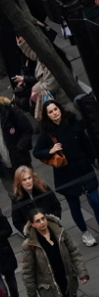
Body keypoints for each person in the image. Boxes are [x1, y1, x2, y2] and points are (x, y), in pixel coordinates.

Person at [33, 100, 99, 246]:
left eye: (55, 109)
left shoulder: (74, 123)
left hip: (84, 168)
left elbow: (86, 143)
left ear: (60, 109)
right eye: (50, 111)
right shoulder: (47, 133)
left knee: (95, 200)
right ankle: (84, 232)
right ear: (47, 115)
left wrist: (94, 159)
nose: (54, 113)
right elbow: (36, 152)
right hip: (65, 174)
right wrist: (49, 151)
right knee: (74, 205)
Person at [10, 166, 61, 234]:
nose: (28, 181)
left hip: (53, 227)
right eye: (24, 180)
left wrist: (54, 222)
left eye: (29, 178)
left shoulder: (43, 189)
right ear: (19, 182)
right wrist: (29, 232)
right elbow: (17, 221)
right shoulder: (17, 199)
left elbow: (56, 206)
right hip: (35, 234)